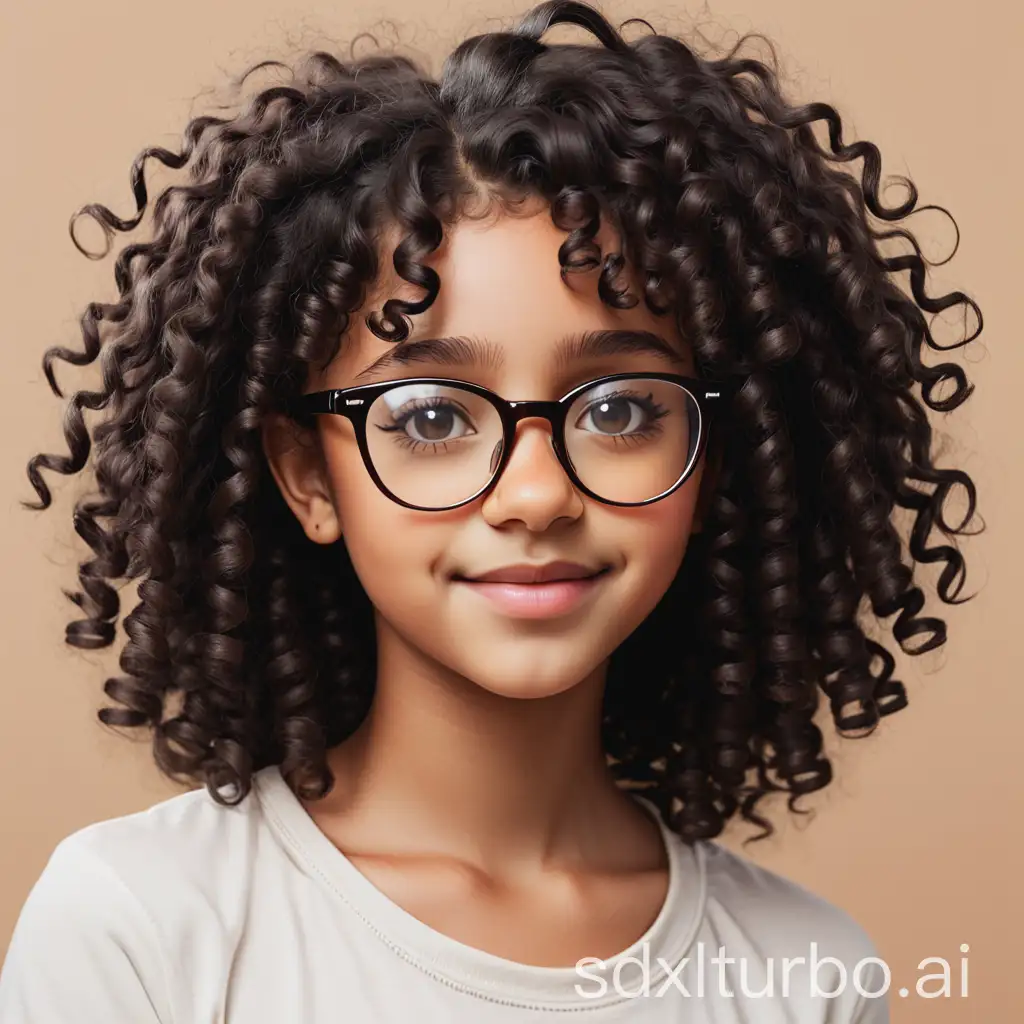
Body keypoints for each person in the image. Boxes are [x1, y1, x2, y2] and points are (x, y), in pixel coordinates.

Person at [0, 1, 980, 1020]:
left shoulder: (805, 972)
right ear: (306, 475)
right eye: (429, 417)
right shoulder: (144, 925)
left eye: (619, 409)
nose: (535, 494)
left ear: (713, 460)